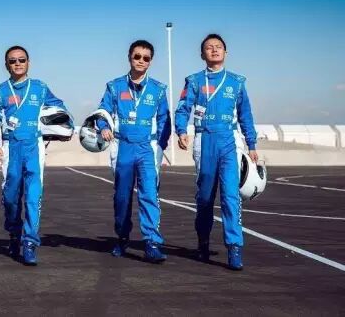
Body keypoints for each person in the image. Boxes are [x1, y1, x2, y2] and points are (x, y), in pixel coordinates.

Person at [174, 33, 257, 271]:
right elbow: (183, 108)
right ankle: (203, 242)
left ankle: (234, 248)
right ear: (202, 54)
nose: (214, 50)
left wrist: (251, 144)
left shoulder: (237, 82)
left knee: (231, 196)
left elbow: (246, 115)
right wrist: (181, 130)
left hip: (229, 140)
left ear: (226, 52)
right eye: (209, 47)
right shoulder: (194, 81)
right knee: (205, 197)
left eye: (218, 46)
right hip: (204, 139)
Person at [0, 45, 72, 266]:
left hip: (34, 147)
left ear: (28, 62)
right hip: (10, 147)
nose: (18, 64)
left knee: (33, 197)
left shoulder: (40, 88)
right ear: (6, 65)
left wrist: (65, 127)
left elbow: (60, 108)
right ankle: (14, 233)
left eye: (22, 60)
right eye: (12, 61)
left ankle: (30, 242)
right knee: (11, 198)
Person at [97, 40, 171, 263]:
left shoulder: (158, 89)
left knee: (149, 195)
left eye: (146, 58)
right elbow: (103, 111)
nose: (141, 61)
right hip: (123, 147)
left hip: (147, 148)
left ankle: (152, 243)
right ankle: (122, 238)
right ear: (129, 57)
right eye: (137, 56)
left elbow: (165, 119)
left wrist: (161, 146)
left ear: (151, 61)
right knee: (122, 197)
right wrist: (104, 127)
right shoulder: (114, 86)